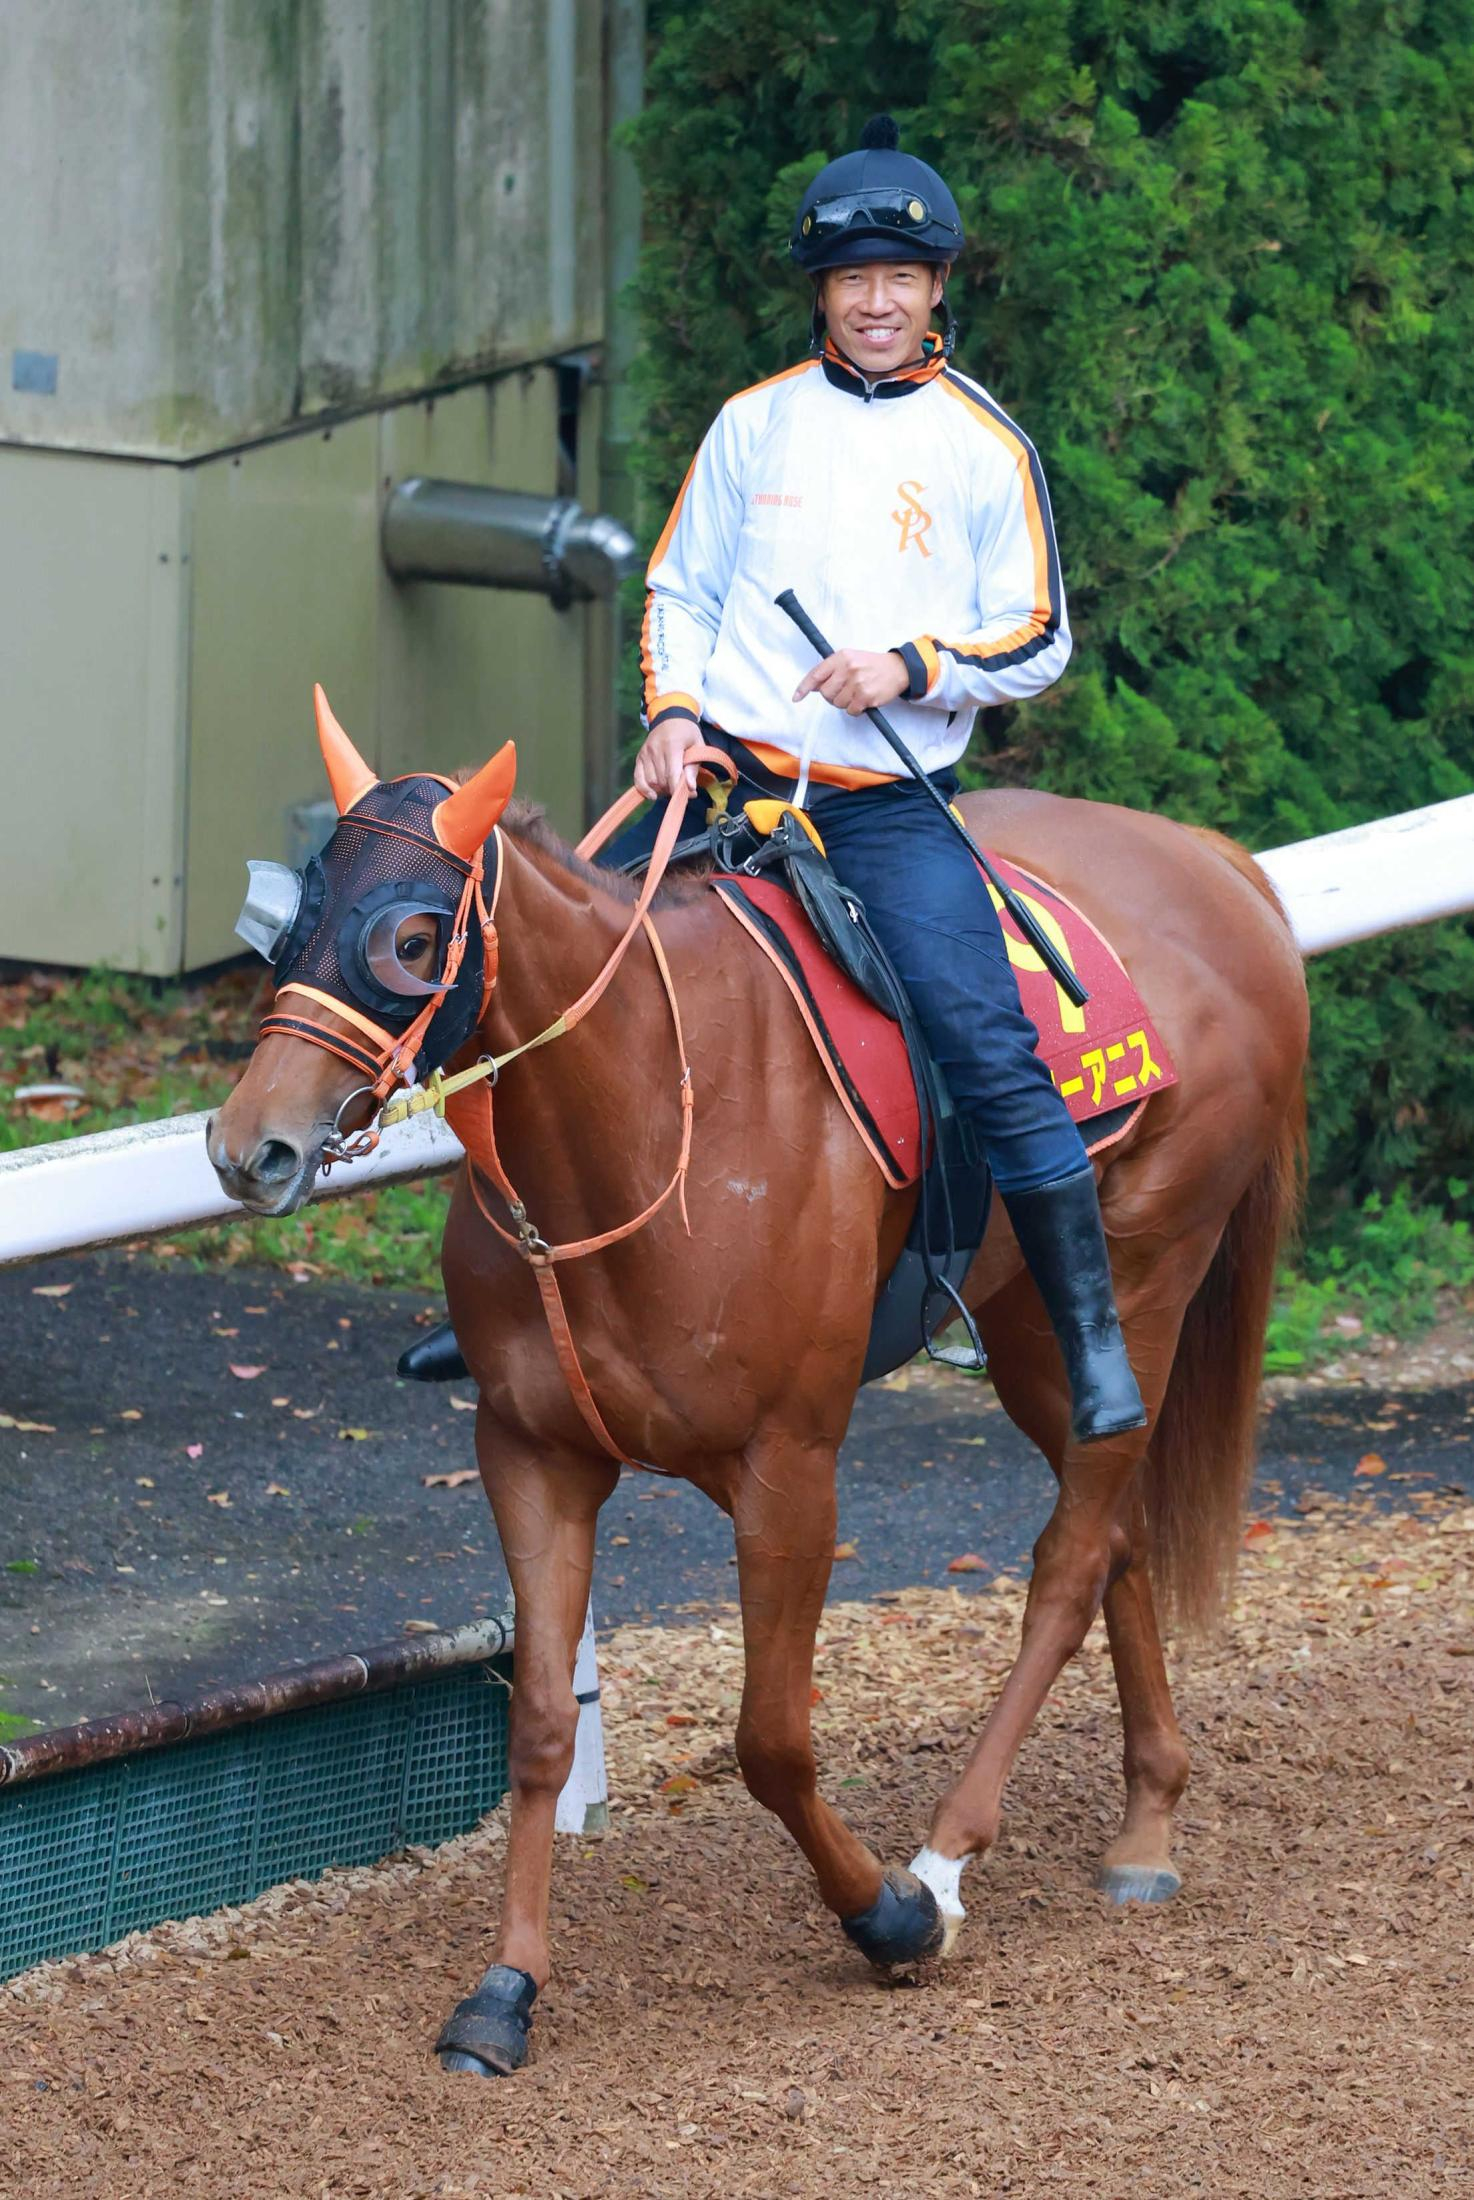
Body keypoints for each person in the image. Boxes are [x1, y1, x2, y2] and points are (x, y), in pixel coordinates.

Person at [407, 114, 1144, 1446]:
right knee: (533, 992)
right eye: (850, 278)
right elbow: (679, 591)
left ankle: (1084, 1333)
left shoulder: (986, 449)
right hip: (724, 790)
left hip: (876, 813)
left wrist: (911, 667)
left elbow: (1038, 639)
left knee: (986, 1042)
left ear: (934, 292)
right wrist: (673, 712)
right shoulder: (752, 426)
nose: (874, 301)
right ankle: (495, 1293)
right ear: (821, 292)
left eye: (898, 279)